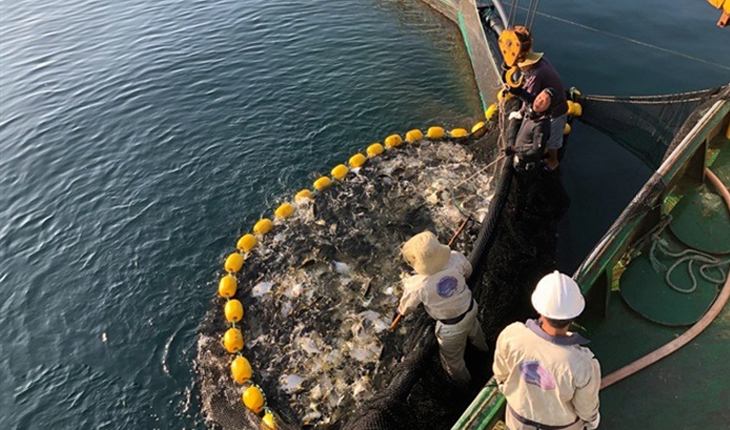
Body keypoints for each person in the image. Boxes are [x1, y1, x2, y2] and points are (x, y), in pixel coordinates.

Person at [493, 271, 601, 430]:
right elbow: (586, 410)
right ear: (573, 316)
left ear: (539, 310)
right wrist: (592, 423)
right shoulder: (584, 364)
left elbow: (501, 374)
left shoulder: (512, 335)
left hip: (517, 423)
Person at [397, 231, 489, 384]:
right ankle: (485, 350)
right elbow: (468, 272)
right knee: (476, 332)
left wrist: (401, 310)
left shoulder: (417, 285)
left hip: (451, 327)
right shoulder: (455, 257)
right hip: (470, 308)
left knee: (453, 362)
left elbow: (405, 308)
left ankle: (466, 385)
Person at [510, 26, 568, 171]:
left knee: (553, 140)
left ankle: (553, 161)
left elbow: (530, 98)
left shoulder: (536, 75)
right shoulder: (540, 63)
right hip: (547, 105)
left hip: (556, 112)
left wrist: (522, 111)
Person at [505, 87, 557, 175]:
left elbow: (536, 150)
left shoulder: (541, 126)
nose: (539, 102)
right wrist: (512, 89)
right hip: (517, 152)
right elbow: (524, 94)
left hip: (524, 161)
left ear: (549, 107)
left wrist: (515, 149)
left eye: (544, 101)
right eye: (539, 97)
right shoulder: (533, 104)